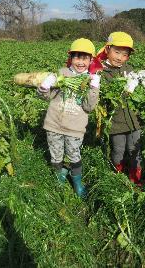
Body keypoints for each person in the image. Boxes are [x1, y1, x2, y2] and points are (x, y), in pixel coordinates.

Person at [38, 38, 101, 198]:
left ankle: (77, 183)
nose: (80, 62)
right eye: (77, 57)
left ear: (91, 60)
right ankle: (59, 178)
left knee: (74, 155)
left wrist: (94, 89)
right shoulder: (61, 74)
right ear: (71, 58)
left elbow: (88, 107)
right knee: (56, 154)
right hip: (53, 124)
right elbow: (48, 96)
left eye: (85, 58)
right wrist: (44, 87)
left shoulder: (90, 80)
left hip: (75, 128)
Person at [96, 32, 145, 185]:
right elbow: (106, 95)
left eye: (125, 54)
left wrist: (144, 85)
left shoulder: (130, 69)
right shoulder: (101, 72)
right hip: (116, 122)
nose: (120, 57)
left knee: (135, 150)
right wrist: (124, 88)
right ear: (107, 49)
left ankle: (136, 179)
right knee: (118, 151)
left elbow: (139, 95)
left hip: (134, 120)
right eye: (117, 52)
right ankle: (118, 177)